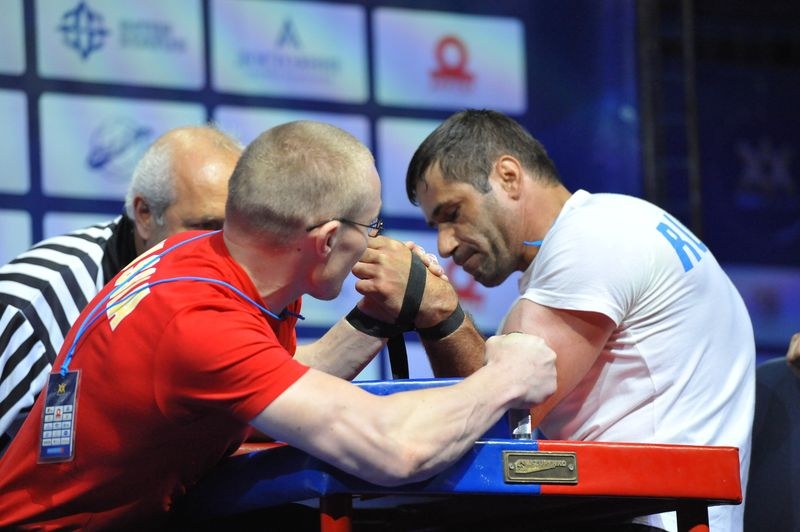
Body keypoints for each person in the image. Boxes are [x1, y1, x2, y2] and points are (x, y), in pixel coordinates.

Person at [0, 120, 558, 529]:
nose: (374, 242)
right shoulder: (198, 324)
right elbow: (396, 449)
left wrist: (375, 315)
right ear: (326, 241)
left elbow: (278, 374)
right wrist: (508, 375)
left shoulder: (208, 262)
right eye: (371, 227)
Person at [404, 109, 755, 532]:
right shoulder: (610, 223)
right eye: (436, 225)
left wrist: (437, 310)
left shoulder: (592, 239)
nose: (444, 245)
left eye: (453, 213)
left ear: (508, 177)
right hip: (631, 511)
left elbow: (496, 423)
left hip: (649, 520)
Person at [0, 125, 242, 456]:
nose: (225, 251)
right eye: (206, 227)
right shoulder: (31, 306)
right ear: (145, 215)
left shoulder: (237, 285)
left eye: (237, 231)